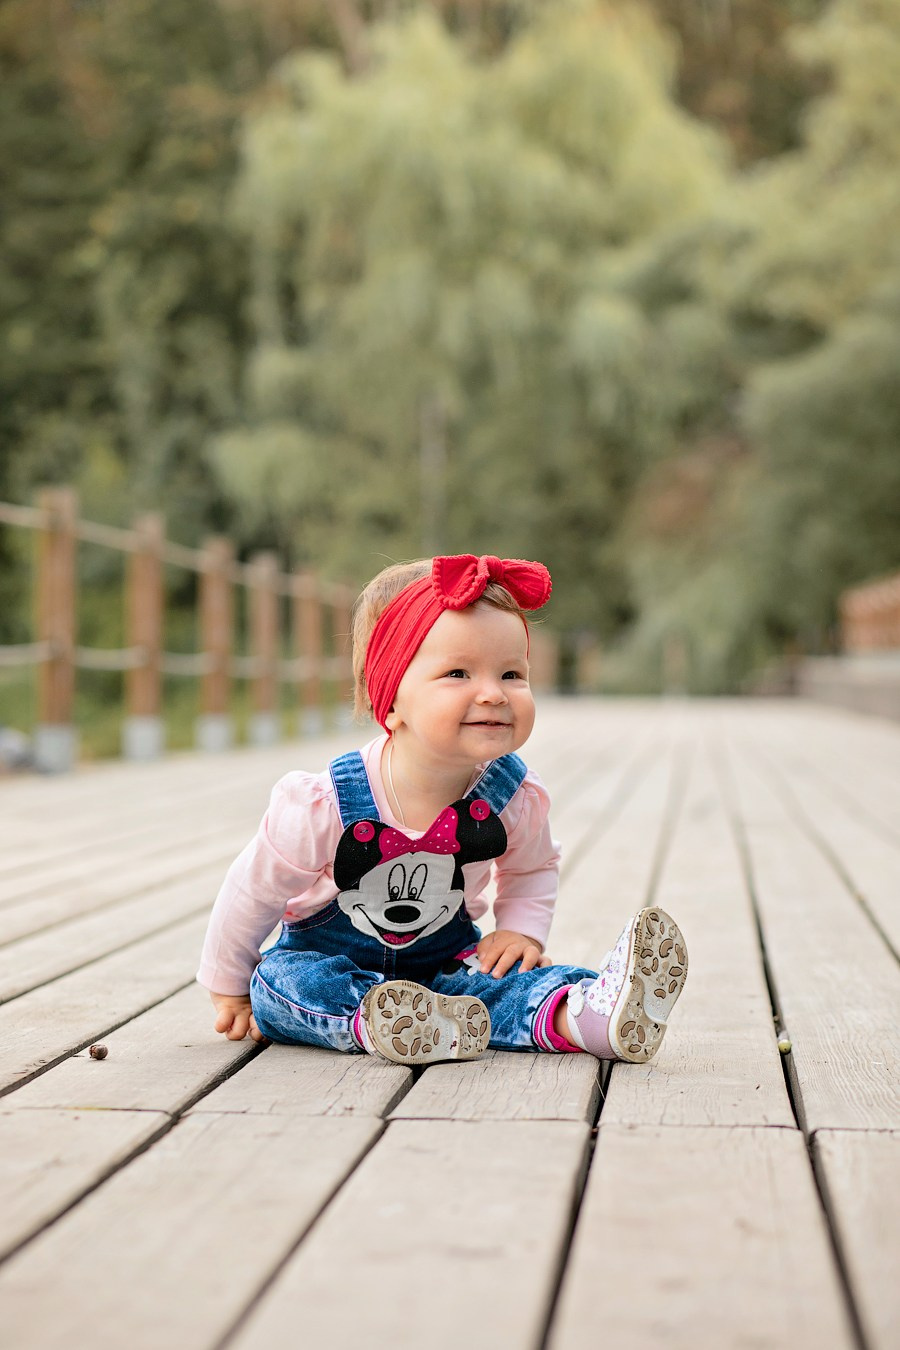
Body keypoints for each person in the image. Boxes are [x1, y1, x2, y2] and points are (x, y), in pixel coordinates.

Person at [197, 553, 688, 1065]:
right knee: (280, 982)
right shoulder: (323, 804)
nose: (494, 694)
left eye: (513, 674)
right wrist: (227, 986)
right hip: (331, 961)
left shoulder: (511, 797)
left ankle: (591, 1014)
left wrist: (519, 930)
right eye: (458, 673)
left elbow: (533, 865)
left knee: (503, 983)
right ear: (391, 701)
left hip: (444, 967)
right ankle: (377, 1020)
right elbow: (252, 891)